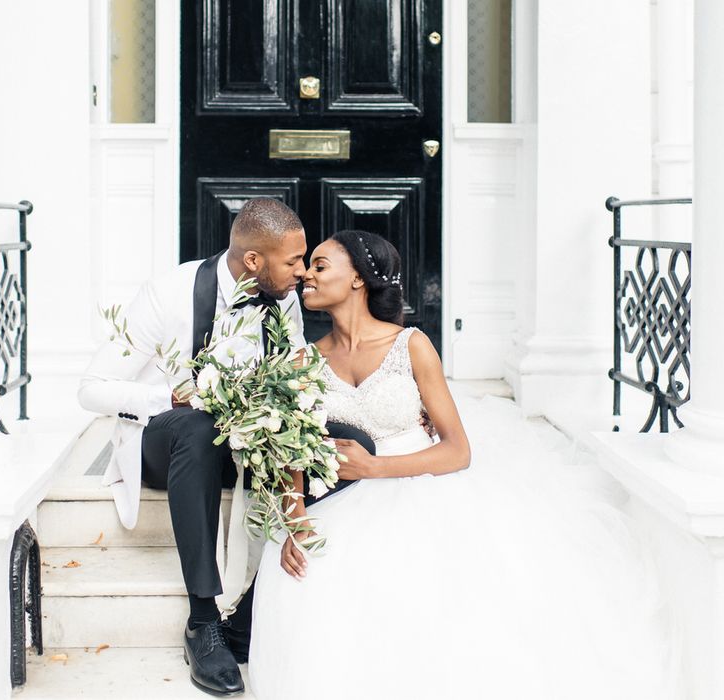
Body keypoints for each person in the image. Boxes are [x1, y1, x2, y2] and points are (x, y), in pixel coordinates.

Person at [248, 230, 682, 700]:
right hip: (340, 498)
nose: (305, 276)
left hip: (421, 482)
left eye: (320, 265)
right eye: (307, 267)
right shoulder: (301, 361)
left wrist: (375, 470)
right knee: (316, 579)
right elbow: (291, 449)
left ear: (357, 278)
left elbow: (457, 450)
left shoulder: (411, 345)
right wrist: (294, 519)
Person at [78, 200, 372, 696]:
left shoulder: (281, 297)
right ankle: (202, 620)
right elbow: (92, 388)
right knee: (195, 426)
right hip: (170, 443)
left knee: (350, 447)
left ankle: (249, 612)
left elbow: (295, 372)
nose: (302, 273)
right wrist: (167, 397)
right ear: (253, 260)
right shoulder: (166, 293)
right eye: (293, 262)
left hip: (248, 442)